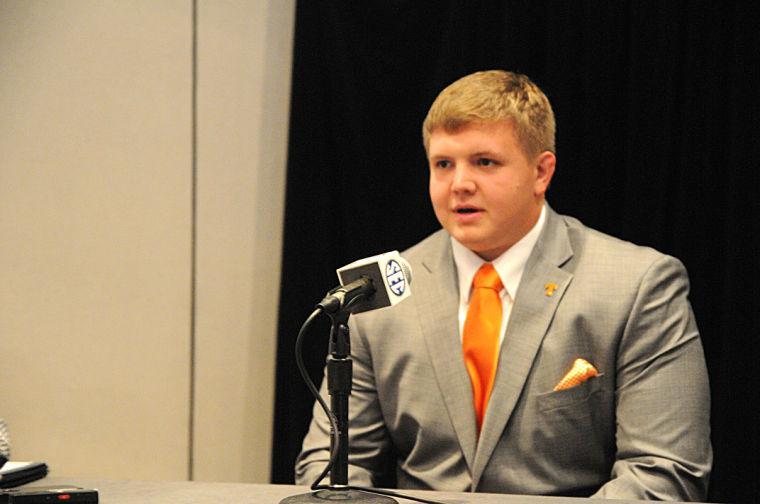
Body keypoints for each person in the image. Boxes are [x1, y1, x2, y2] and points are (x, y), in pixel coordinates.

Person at [295, 70, 712, 500]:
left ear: (541, 172)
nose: (460, 184)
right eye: (443, 164)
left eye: (485, 162)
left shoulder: (636, 284)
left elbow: (663, 472)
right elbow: (332, 468)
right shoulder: (378, 293)